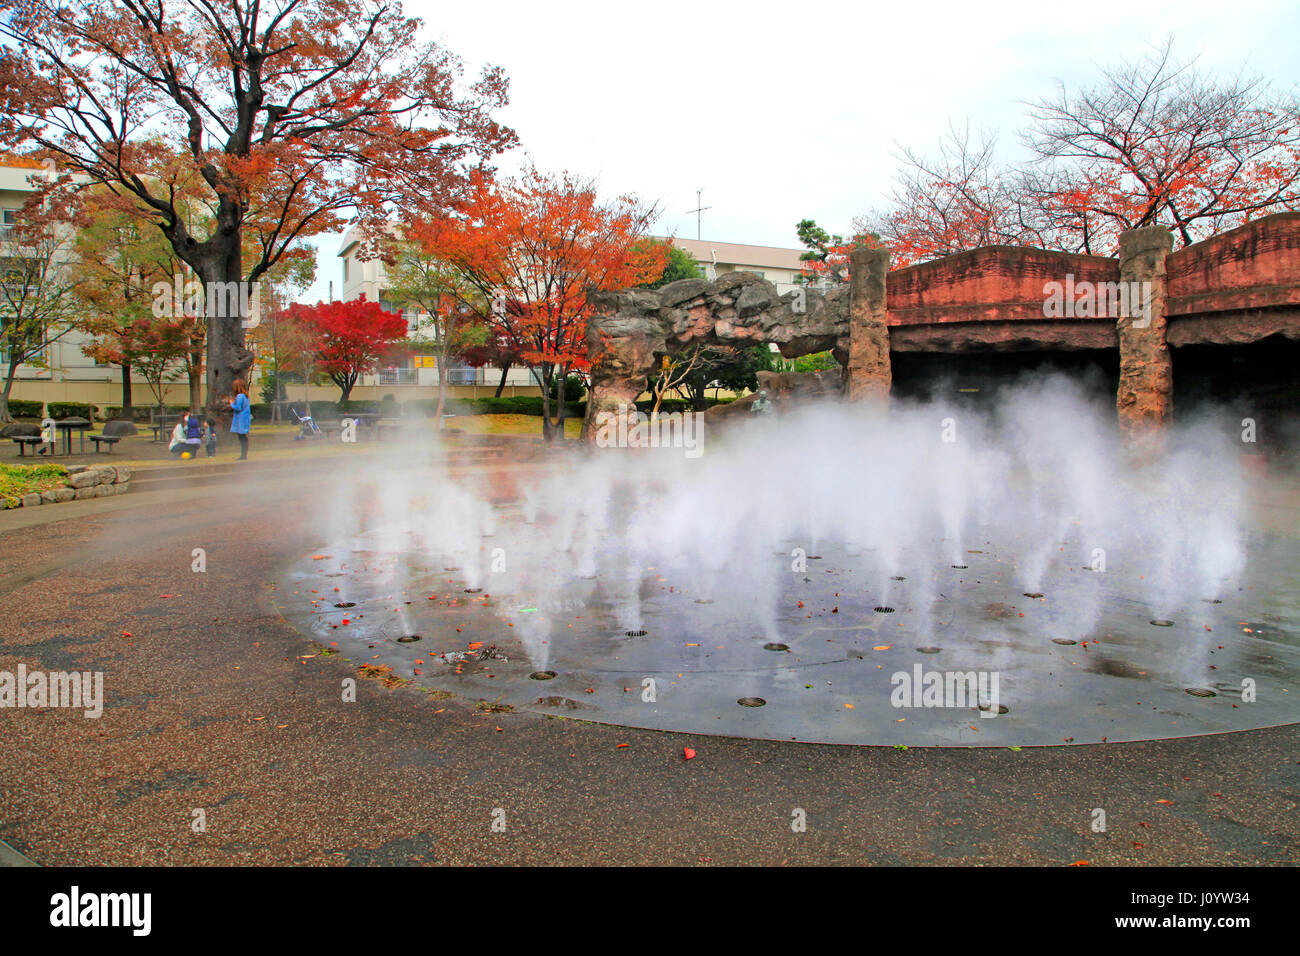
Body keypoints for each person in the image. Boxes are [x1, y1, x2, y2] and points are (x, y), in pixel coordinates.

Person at [229, 379, 251, 460]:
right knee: (243, 437)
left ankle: (243, 455)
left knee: (241, 437)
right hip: (245, 419)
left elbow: (238, 408)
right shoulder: (246, 396)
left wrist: (231, 403)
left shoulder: (239, 396)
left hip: (240, 419)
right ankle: (244, 454)